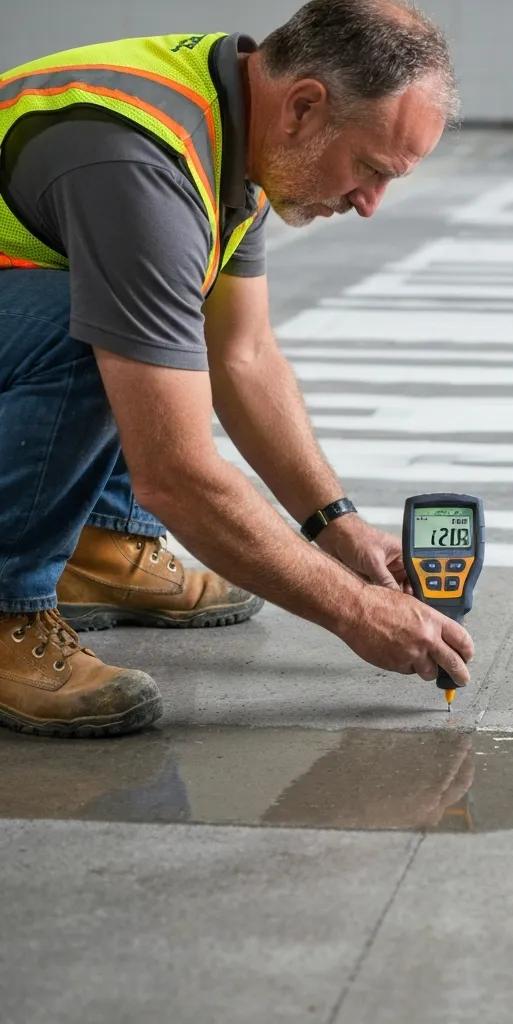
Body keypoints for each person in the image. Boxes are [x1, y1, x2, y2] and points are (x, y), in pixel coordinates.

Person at [0, 0, 474, 738]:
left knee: (151, 317)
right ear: (306, 107)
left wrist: (338, 529)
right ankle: (7, 607)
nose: (371, 204)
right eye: (371, 169)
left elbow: (242, 356)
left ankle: (99, 544)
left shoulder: (232, 126)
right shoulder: (138, 167)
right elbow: (178, 473)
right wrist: (355, 611)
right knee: (100, 328)